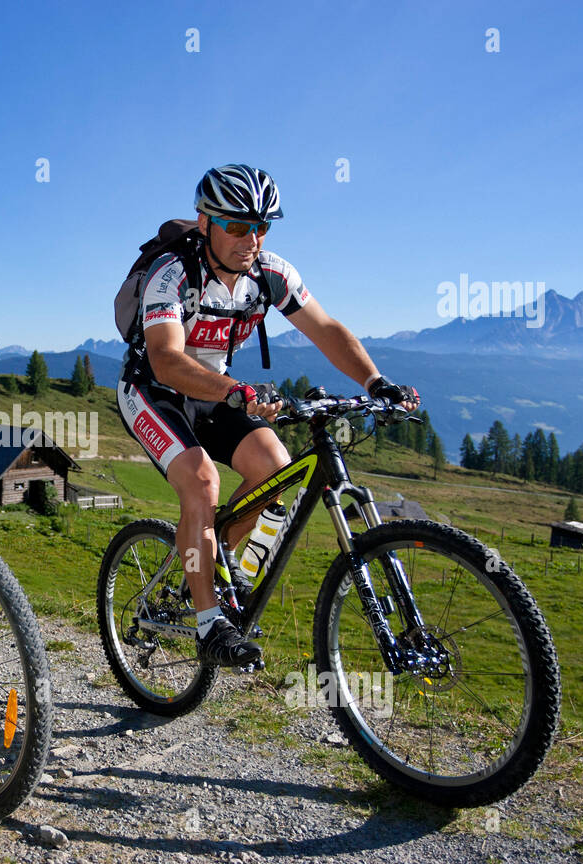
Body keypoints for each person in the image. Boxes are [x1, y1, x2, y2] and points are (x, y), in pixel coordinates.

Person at [117, 164, 419, 668]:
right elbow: (167, 359)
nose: (250, 239)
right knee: (202, 482)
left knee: (275, 468)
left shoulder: (270, 274)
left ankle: (210, 563)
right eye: (237, 226)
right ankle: (209, 622)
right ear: (205, 221)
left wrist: (375, 382)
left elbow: (325, 328)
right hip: (154, 389)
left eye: (261, 227)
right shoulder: (172, 273)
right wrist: (236, 389)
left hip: (220, 393)